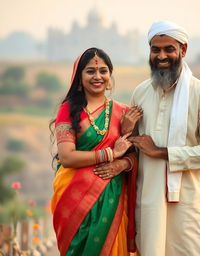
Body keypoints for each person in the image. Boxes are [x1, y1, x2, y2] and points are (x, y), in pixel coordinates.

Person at [126, 21, 200, 256]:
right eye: (155, 49)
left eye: (169, 49)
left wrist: (161, 152)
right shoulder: (140, 92)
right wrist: (127, 131)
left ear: (183, 50)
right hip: (148, 201)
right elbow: (134, 147)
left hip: (186, 203)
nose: (162, 56)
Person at [50, 47, 141, 256]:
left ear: (110, 76)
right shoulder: (68, 109)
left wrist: (122, 163)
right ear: (79, 77)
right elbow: (67, 157)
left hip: (113, 197)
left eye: (103, 71)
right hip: (73, 196)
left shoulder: (124, 113)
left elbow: (136, 155)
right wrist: (111, 154)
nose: (97, 76)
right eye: (90, 71)